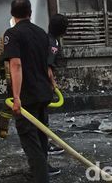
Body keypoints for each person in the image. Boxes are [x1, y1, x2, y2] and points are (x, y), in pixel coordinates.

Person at [3, 0, 53, 182]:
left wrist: (16, 97)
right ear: (30, 13)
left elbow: (16, 65)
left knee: (30, 141)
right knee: (41, 137)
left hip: (27, 97)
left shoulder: (12, 34)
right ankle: (39, 173)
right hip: (43, 93)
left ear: (11, 13)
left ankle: (40, 178)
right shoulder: (41, 33)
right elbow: (47, 65)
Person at [46, 14, 68, 157]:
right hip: (41, 84)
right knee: (42, 116)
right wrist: (53, 85)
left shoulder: (45, 38)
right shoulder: (52, 43)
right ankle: (45, 144)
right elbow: (48, 67)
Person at [0, 18, 15, 139]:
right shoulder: (30, 33)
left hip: (11, 77)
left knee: (11, 100)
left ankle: (3, 127)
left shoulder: (4, 36)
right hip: (28, 76)